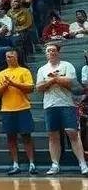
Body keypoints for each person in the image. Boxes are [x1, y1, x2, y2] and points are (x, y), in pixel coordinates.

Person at [35, 43, 88, 175]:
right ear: (46, 54)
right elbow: (39, 87)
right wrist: (54, 80)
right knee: (53, 136)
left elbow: (71, 83)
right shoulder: (42, 69)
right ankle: (55, 165)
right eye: (48, 51)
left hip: (67, 104)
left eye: (53, 50)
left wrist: (53, 80)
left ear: (58, 52)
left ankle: (83, 164)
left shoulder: (67, 65)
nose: (51, 52)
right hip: (49, 105)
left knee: (73, 134)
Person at [0, 49, 36, 175]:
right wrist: (6, 85)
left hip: (23, 107)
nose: (10, 58)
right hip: (7, 109)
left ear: (17, 57)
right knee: (10, 138)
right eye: (7, 57)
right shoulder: (1, 74)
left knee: (26, 136)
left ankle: (32, 164)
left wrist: (14, 83)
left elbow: (30, 88)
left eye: (12, 56)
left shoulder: (24, 71)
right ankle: (15, 164)